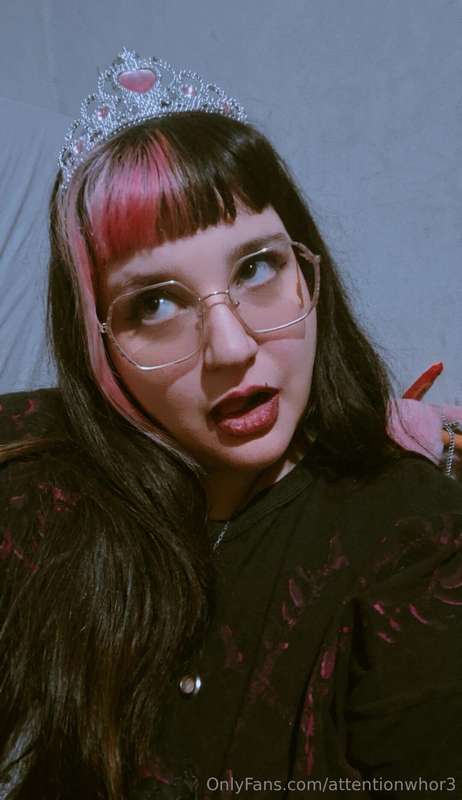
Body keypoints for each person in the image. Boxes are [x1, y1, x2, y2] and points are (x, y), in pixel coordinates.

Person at [0, 48, 461, 800]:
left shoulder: (420, 544)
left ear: (307, 267)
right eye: (155, 303)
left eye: (255, 267)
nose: (232, 347)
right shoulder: (45, 485)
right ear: (97, 344)